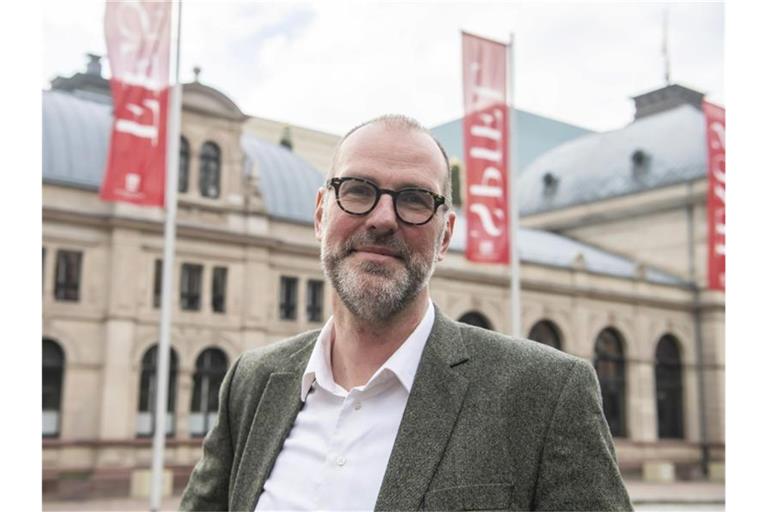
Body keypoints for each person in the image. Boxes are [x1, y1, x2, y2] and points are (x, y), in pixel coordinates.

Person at [180, 115, 633, 511]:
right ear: (321, 214)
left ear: (445, 235)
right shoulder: (251, 382)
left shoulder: (546, 394)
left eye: (415, 199)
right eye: (357, 190)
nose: (382, 218)